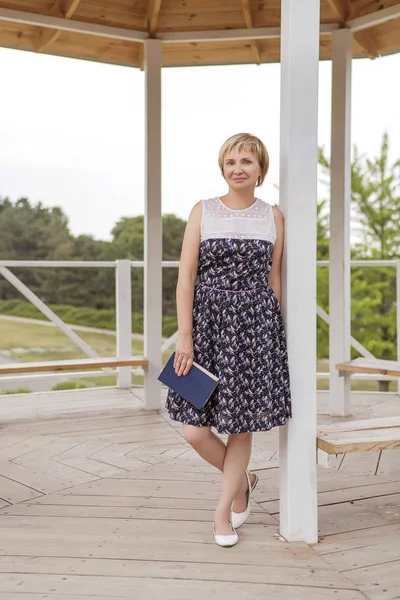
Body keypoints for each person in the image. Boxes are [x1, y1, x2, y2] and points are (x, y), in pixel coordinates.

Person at [165, 133, 291, 547]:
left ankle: (223, 512)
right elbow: (186, 276)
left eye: (247, 162)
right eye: (231, 161)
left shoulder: (273, 216)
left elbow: (273, 279)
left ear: (260, 170)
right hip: (207, 328)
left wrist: (276, 337)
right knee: (193, 429)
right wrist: (186, 336)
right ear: (223, 168)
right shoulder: (203, 211)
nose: (238, 168)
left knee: (241, 425)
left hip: (255, 327)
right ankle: (243, 481)